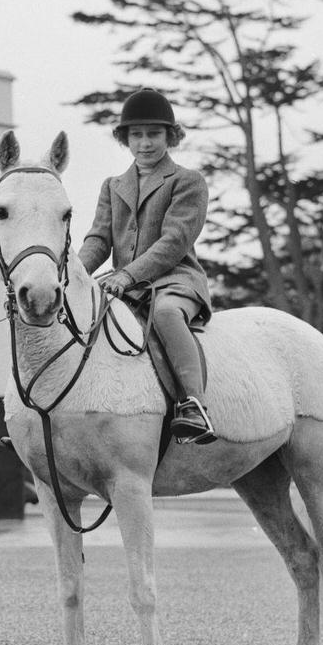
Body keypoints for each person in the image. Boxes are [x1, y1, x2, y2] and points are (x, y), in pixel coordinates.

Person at [78, 88, 216, 444]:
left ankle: (194, 406)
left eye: (153, 134)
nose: (145, 143)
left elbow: (173, 243)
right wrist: (74, 275)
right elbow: (98, 240)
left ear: (170, 136)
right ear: (125, 138)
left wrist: (127, 274)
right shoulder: (112, 186)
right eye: (136, 135)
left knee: (168, 315)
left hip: (174, 281)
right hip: (125, 287)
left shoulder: (188, 181)